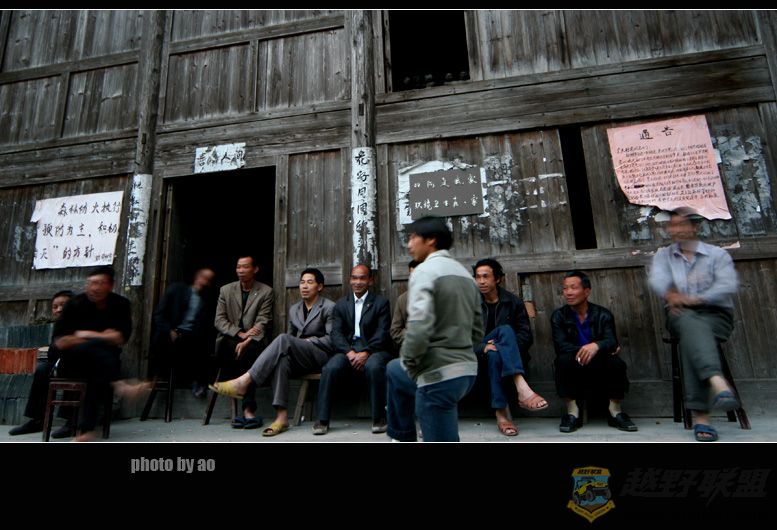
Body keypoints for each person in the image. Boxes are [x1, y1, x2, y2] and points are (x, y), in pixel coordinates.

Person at [386, 217, 483, 442]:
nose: (409, 245)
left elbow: (419, 326)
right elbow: (478, 330)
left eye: (413, 238)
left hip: (437, 375)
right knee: (394, 370)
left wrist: (411, 362)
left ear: (430, 240)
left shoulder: (424, 272)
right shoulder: (465, 275)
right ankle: (402, 436)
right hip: (466, 372)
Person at [648, 207, 740, 442]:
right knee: (688, 322)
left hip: (716, 316)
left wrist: (696, 299)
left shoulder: (717, 255)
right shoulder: (663, 256)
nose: (676, 230)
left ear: (695, 227)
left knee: (691, 337)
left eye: (682, 224)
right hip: (680, 314)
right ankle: (716, 381)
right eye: (673, 225)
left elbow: (727, 285)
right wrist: (671, 294)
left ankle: (703, 417)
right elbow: (659, 281)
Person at [209, 268, 335, 436]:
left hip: (319, 355)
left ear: (319, 286)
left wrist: (307, 341)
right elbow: (291, 338)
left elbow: (332, 340)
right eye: (302, 282)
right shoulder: (295, 309)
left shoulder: (329, 307)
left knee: (283, 339)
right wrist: (296, 343)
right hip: (299, 357)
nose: (304, 286)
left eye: (310, 282)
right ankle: (281, 418)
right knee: (281, 359)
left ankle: (245, 381)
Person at [52, 265, 149, 442]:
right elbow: (61, 342)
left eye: (100, 283)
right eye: (91, 283)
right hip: (72, 363)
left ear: (110, 286)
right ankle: (120, 384)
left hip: (101, 366)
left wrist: (85, 334)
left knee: (97, 371)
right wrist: (103, 337)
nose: (94, 288)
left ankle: (86, 431)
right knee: (93, 352)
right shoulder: (74, 304)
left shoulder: (120, 304)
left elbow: (120, 338)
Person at [551, 270, 637, 433]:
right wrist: (588, 348)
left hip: (600, 362)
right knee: (562, 360)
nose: (568, 292)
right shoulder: (559, 316)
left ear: (587, 291)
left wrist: (596, 346)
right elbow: (561, 346)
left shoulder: (603, 314)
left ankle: (615, 411)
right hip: (574, 361)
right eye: (565, 288)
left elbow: (612, 341)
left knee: (616, 363)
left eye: (573, 287)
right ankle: (572, 413)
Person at [312, 264, 392, 435]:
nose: (358, 282)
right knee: (330, 368)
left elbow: (382, 332)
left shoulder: (381, 303)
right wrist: (349, 352)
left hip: (374, 350)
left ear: (370, 280)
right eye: (354, 278)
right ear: (349, 280)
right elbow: (336, 333)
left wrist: (366, 352)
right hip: (348, 350)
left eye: (362, 278)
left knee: (374, 367)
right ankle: (322, 419)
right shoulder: (341, 304)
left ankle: (379, 418)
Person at [472, 258, 548, 436]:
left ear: (498, 278)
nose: (481, 281)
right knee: (504, 331)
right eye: (478, 277)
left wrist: (502, 348)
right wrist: (483, 347)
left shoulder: (513, 302)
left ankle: (502, 415)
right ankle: (521, 387)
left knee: (497, 350)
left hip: (502, 359)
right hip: (478, 360)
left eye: (486, 276)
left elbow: (526, 336)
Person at [212, 255, 273, 429]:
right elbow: (219, 320)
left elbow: (263, 321)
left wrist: (248, 339)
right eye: (238, 267)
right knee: (242, 352)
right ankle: (248, 411)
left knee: (249, 351)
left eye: (245, 267)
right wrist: (240, 333)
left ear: (255, 269)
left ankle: (243, 407)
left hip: (252, 342)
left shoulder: (265, 291)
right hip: (228, 341)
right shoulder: (226, 290)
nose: (241, 270)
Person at [8, 290, 73, 436]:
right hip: (61, 364)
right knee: (43, 370)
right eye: (55, 307)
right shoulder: (59, 326)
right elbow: (53, 354)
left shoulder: (83, 323)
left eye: (63, 305)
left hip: (82, 365)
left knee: (72, 368)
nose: (59, 309)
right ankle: (38, 420)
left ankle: (72, 421)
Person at [151, 268, 215, 398]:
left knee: (203, 347)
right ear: (197, 276)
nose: (205, 282)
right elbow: (158, 315)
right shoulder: (177, 290)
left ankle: (195, 382)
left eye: (209, 280)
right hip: (169, 334)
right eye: (204, 277)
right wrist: (170, 330)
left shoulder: (206, 301)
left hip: (190, 337)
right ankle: (178, 379)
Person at [390, 260, 419, 351]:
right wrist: (415, 337)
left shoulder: (439, 296)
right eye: (412, 275)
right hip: (412, 349)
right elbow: (395, 330)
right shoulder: (402, 299)